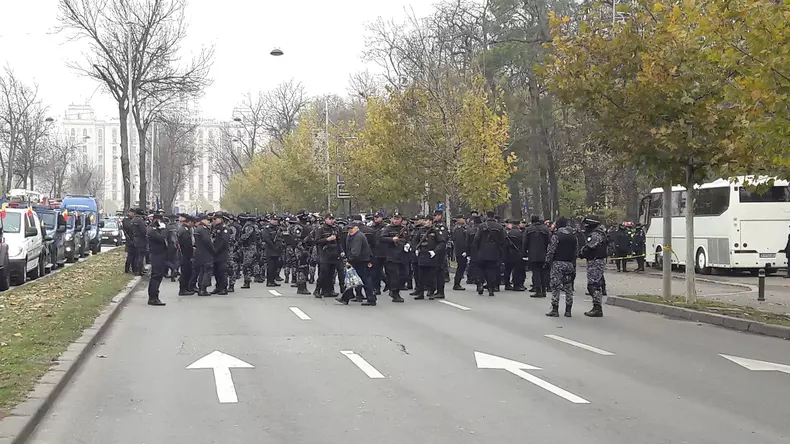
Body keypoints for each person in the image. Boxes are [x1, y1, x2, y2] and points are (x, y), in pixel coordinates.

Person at [337, 221, 377, 306]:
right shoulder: (351, 235)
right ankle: (345, 298)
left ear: (356, 228)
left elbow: (355, 252)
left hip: (360, 261)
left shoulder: (358, 236)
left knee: (365, 279)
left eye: (351, 228)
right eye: (348, 229)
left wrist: (349, 260)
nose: (350, 230)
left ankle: (371, 299)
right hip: (356, 260)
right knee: (351, 279)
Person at [545, 217, 577, 317]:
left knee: (555, 286)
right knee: (568, 287)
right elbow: (576, 251)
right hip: (569, 264)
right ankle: (568, 310)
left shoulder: (556, 236)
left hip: (558, 263)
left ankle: (555, 309)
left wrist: (547, 261)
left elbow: (551, 250)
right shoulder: (573, 236)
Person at [580, 215, 607, 317]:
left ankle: (597, 308)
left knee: (593, 285)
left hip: (595, 261)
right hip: (595, 261)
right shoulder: (599, 233)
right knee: (594, 284)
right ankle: (596, 306)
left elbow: (589, 247)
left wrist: (582, 253)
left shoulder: (596, 235)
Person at [474, 211, 504, 296]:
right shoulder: (499, 227)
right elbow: (503, 239)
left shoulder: (482, 226)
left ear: (487, 216)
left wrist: (479, 248)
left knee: (480, 269)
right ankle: (491, 288)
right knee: (491, 270)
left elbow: (476, 239)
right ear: (494, 216)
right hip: (494, 252)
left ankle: (480, 284)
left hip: (483, 251)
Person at [379, 212, 408, 302]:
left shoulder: (404, 229)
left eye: (398, 219)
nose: (396, 220)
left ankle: (394, 290)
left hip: (402, 255)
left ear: (401, 220)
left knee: (404, 275)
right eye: (394, 219)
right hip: (391, 256)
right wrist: (391, 239)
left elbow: (410, 238)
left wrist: (408, 244)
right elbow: (381, 238)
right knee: (394, 276)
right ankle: (395, 293)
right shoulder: (388, 229)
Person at [314, 214, 343, 297]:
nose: (332, 220)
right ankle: (317, 290)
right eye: (330, 219)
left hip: (334, 253)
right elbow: (317, 241)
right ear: (326, 219)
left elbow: (339, 241)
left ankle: (329, 290)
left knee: (331, 273)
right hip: (325, 254)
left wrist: (341, 251)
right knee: (323, 273)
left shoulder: (336, 229)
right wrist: (327, 239)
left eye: (333, 219)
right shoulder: (321, 229)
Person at [523, 215, 551, 298]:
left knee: (536, 273)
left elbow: (525, 242)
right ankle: (544, 290)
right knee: (543, 273)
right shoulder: (545, 229)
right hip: (543, 254)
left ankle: (538, 290)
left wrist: (524, 253)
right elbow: (549, 241)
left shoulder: (528, 230)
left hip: (533, 254)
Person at [145, 213, 167, 306]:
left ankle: (154, 297)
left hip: (159, 254)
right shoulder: (152, 229)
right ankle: (153, 297)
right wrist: (164, 229)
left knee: (158, 276)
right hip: (156, 254)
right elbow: (161, 238)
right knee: (156, 276)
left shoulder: (155, 229)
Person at [261, 215, 285, 287]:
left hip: (278, 251)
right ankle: (269, 281)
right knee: (270, 267)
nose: (275, 221)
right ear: (270, 220)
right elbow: (266, 239)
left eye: (276, 220)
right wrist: (274, 246)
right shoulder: (267, 229)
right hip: (270, 250)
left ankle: (273, 280)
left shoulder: (278, 229)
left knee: (275, 267)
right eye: (273, 220)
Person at [194, 214, 215, 296]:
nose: (208, 221)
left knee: (202, 271)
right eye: (207, 220)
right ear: (202, 220)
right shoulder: (203, 229)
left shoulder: (198, 229)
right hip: (206, 252)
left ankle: (200, 287)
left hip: (199, 252)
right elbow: (207, 241)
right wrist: (213, 250)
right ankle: (203, 288)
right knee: (208, 270)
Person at [503, 219, 525, 291]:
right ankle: (517, 284)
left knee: (507, 270)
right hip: (517, 253)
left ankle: (507, 284)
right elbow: (523, 243)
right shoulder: (520, 233)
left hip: (508, 254)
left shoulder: (508, 232)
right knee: (517, 270)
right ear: (518, 224)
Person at [211, 213, 230, 295]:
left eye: (216, 219)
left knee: (222, 271)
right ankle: (218, 286)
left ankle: (224, 288)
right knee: (216, 271)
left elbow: (224, 241)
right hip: (214, 253)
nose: (214, 220)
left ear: (221, 219)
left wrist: (217, 250)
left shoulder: (224, 228)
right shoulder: (215, 228)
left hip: (221, 253)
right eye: (213, 219)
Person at [177, 215, 195, 296]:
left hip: (184, 254)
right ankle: (183, 289)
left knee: (187, 272)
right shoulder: (184, 230)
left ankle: (186, 288)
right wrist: (191, 255)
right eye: (193, 222)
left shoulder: (184, 229)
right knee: (185, 272)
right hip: (184, 254)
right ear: (190, 222)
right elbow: (186, 245)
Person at [370, 212, 388, 295]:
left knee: (388, 271)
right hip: (375, 251)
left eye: (377, 217)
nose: (375, 218)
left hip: (385, 251)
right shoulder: (372, 227)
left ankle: (390, 285)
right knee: (376, 271)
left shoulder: (386, 227)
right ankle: (376, 288)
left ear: (381, 218)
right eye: (375, 217)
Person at [452, 215, 468, 291]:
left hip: (460, 251)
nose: (464, 220)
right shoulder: (458, 229)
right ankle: (456, 283)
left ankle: (457, 283)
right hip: (460, 251)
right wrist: (464, 251)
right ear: (458, 219)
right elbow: (460, 241)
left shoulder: (461, 228)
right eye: (462, 219)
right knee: (461, 267)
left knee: (461, 267)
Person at [122, 208, 136, 273]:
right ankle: (127, 269)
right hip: (130, 239)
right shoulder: (127, 220)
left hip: (131, 239)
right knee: (130, 255)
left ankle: (132, 268)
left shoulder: (127, 220)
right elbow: (127, 229)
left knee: (133, 255)